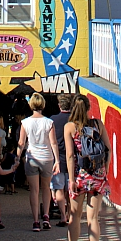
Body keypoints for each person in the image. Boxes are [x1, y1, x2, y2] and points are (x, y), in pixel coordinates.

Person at [63, 95, 112, 241]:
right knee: (93, 218)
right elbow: (108, 149)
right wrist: (104, 171)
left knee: (74, 216)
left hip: (79, 177)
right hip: (97, 177)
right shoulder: (98, 124)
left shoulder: (70, 127)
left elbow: (70, 155)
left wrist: (70, 179)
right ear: (88, 107)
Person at [16, 93, 60, 232]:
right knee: (46, 188)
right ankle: (46, 216)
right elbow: (53, 143)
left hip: (32, 157)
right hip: (47, 157)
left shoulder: (25, 123)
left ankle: (36, 221)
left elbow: (21, 142)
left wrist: (17, 158)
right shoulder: (49, 122)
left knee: (34, 190)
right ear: (43, 105)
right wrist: (57, 160)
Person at [50, 94, 71, 226]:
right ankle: (70, 213)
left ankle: (62, 216)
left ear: (59, 106)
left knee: (59, 189)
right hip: (72, 158)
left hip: (57, 158)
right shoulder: (74, 120)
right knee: (70, 189)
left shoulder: (53, 120)